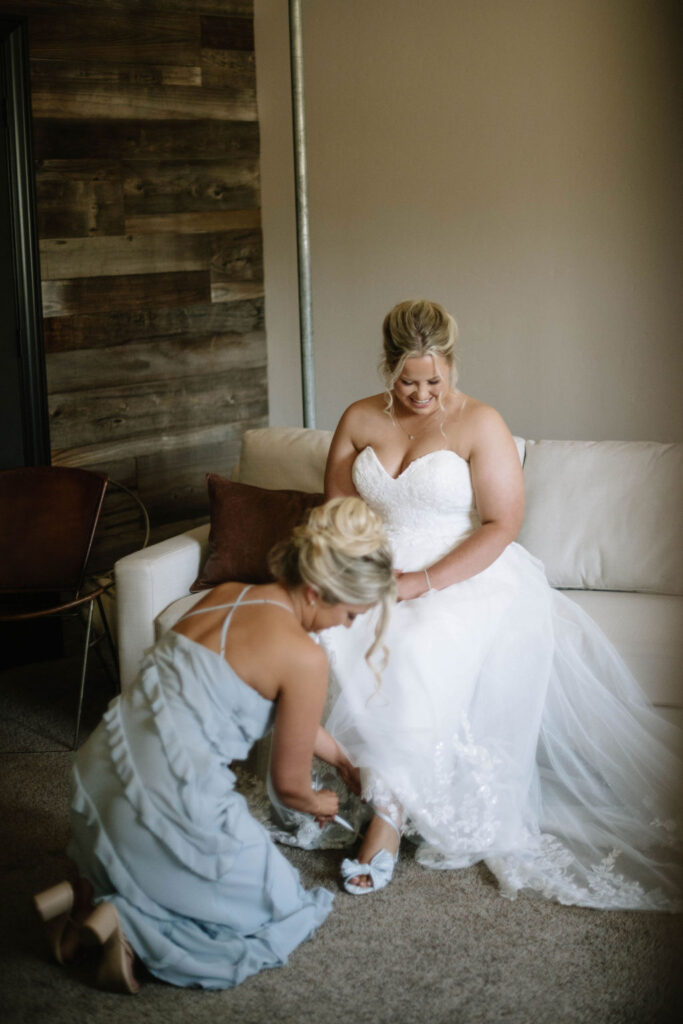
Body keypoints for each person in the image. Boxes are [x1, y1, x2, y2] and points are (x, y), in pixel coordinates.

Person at [320, 298, 683, 907]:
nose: (421, 393)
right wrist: (355, 571)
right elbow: (334, 510)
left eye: (434, 379)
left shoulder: (480, 423)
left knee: (414, 650)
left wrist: (419, 583)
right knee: (314, 635)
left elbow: (500, 524)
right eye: (407, 380)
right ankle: (334, 785)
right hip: (371, 570)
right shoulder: (357, 417)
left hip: (463, 575)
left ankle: (385, 817)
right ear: (388, 368)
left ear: (452, 366)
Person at [33, 497, 396, 992]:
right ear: (315, 591)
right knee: (280, 903)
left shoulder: (227, 593)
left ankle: (86, 898)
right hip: (169, 799)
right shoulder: (304, 657)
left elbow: (268, 703)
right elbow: (287, 787)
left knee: (171, 861)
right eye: (351, 613)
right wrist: (320, 801)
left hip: (97, 778)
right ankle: (130, 924)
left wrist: (343, 760)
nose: (348, 625)